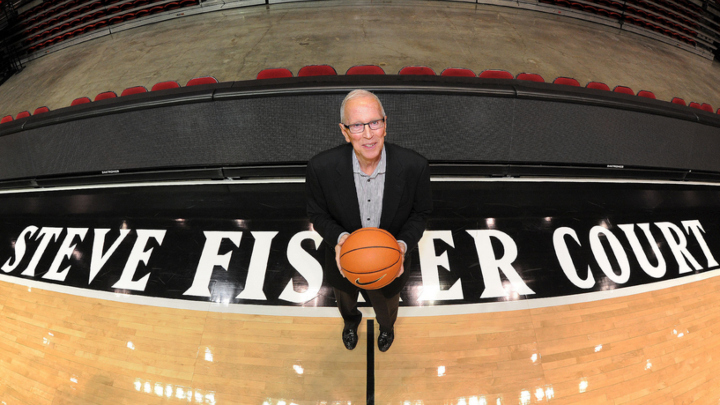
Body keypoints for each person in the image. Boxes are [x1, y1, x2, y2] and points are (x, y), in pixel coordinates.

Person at [306, 89, 432, 352]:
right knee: (346, 302)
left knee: (387, 306)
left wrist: (401, 246)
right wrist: (341, 241)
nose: (368, 133)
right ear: (344, 130)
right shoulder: (321, 168)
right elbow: (317, 214)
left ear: (385, 123)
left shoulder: (415, 166)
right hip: (344, 261)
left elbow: (420, 214)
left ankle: (387, 329)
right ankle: (351, 323)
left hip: (390, 262)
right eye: (357, 125)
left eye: (374, 122)